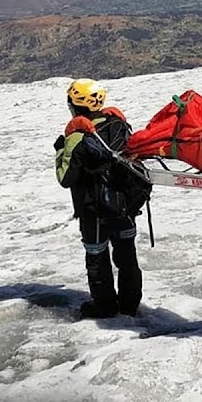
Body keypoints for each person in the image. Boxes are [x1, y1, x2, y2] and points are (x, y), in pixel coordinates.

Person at [53, 78, 143, 318]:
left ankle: (104, 306)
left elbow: (65, 178)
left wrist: (61, 149)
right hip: (124, 206)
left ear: (75, 105)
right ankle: (130, 304)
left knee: (97, 256)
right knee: (127, 255)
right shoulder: (119, 125)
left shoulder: (77, 136)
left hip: (94, 210)